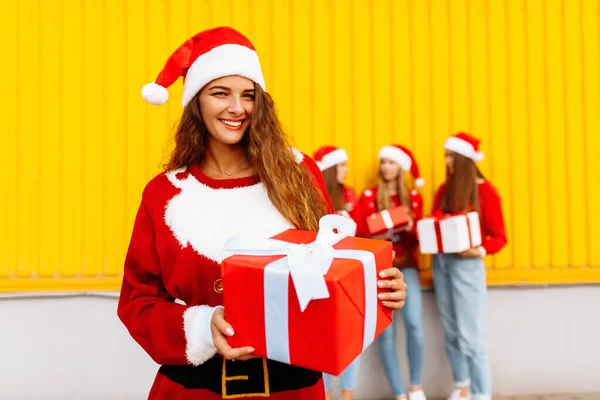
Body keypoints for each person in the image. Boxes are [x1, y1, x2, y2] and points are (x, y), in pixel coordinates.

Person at [117, 26, 408, 400]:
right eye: (220, 93)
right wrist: (204, 327)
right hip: (195, 390)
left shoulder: (299, 174)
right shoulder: (165, 193)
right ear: (196, 103)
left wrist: (378, 288)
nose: (237, 108)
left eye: (248, 95)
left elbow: (332, 268)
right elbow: (137, 302)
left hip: (292, 389)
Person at [431, 132, 507, 400]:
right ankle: (461, 386)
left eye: (451, 156)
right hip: (442, 263)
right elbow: (433, 222)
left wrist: (479, 250)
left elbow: (500, 236)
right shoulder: (444, 189)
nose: (447, 161)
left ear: (464, 159)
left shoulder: (485, 191)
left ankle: (480, 393)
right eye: (446, 156)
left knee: (470, 335)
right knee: (451, 331)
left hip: (467, 267)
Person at [354, 145, 427, 400]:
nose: (386, 167)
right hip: (380, 269)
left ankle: (416, 387)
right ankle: (398, 393)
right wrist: (377, 232)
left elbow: (420, 239)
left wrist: (409, 226)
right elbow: (360, 232)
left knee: (415, 325)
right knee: (386, 334)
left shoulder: (414, 198)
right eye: (383, 162)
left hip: (407, 268)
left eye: (391, 163)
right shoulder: (369, 196)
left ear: (400, 168)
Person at [313, 145, 360, 400]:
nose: (346, 170)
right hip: (322, 274)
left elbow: (361, 228)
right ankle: (326, 393)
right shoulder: (315, 196)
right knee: (325, 335)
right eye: (342, 165)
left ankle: (348, 395)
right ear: (331, 170)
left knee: (351, 335)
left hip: (349, 273)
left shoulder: (350, 195)